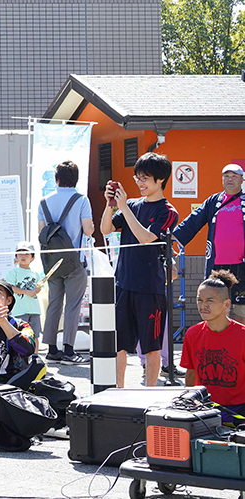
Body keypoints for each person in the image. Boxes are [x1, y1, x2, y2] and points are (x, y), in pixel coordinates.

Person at [100, 152, 179, 388]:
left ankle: (150, 393)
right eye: (138, 178)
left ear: (160, 180)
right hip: (123, 283)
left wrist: (124, 208)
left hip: (151, 288)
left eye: (146, 178)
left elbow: (146, 237)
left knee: (151, 345)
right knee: (120, 344)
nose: (140, 183)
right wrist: (110, 205)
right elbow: (105, 229)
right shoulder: (131, 205)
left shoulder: (167, 211)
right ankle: (118, 390)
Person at [37, 160, 94, 364]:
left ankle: (51, 349)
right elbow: (88, 230)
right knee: (72, 305)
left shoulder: (44, 201)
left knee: (54, 303)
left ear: (57, 179)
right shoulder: (81, 200)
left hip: (52, 261)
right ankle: (69, 351)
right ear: (76, 179)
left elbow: (41, 232)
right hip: (74, 261)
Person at [174, 164, 245, 324]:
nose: (230, 179)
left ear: (242, 179)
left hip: (242, 265)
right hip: (217, 265)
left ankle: (241, 347)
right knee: (217, 308)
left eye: (234, 176)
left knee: (243, 309)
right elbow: (193, 220)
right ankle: (220, 344)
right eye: (226, 176)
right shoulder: (214, 201)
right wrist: (172, 237)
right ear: (222, 179)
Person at [180, 270, 245, 425]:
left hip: (239, 411)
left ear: (226, 304)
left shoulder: (242, 335)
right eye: (200, 300)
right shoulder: (192, 333)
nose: (203, 306)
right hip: (204, 409)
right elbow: (190, 374)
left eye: (210, 300)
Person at [4, 241, 44, 354]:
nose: (23, 256)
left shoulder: (36, 273)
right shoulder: (13, 272)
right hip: (19, 311)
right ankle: (21, 357)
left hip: (34, 310)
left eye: (27, 254)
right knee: (19, 335)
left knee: (35, 335)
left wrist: (36, 290)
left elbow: (38, 289)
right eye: (20, 253)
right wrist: (28, 292)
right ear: (15, 256)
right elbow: (10, 288)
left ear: (32, 257)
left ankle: (35, 357)